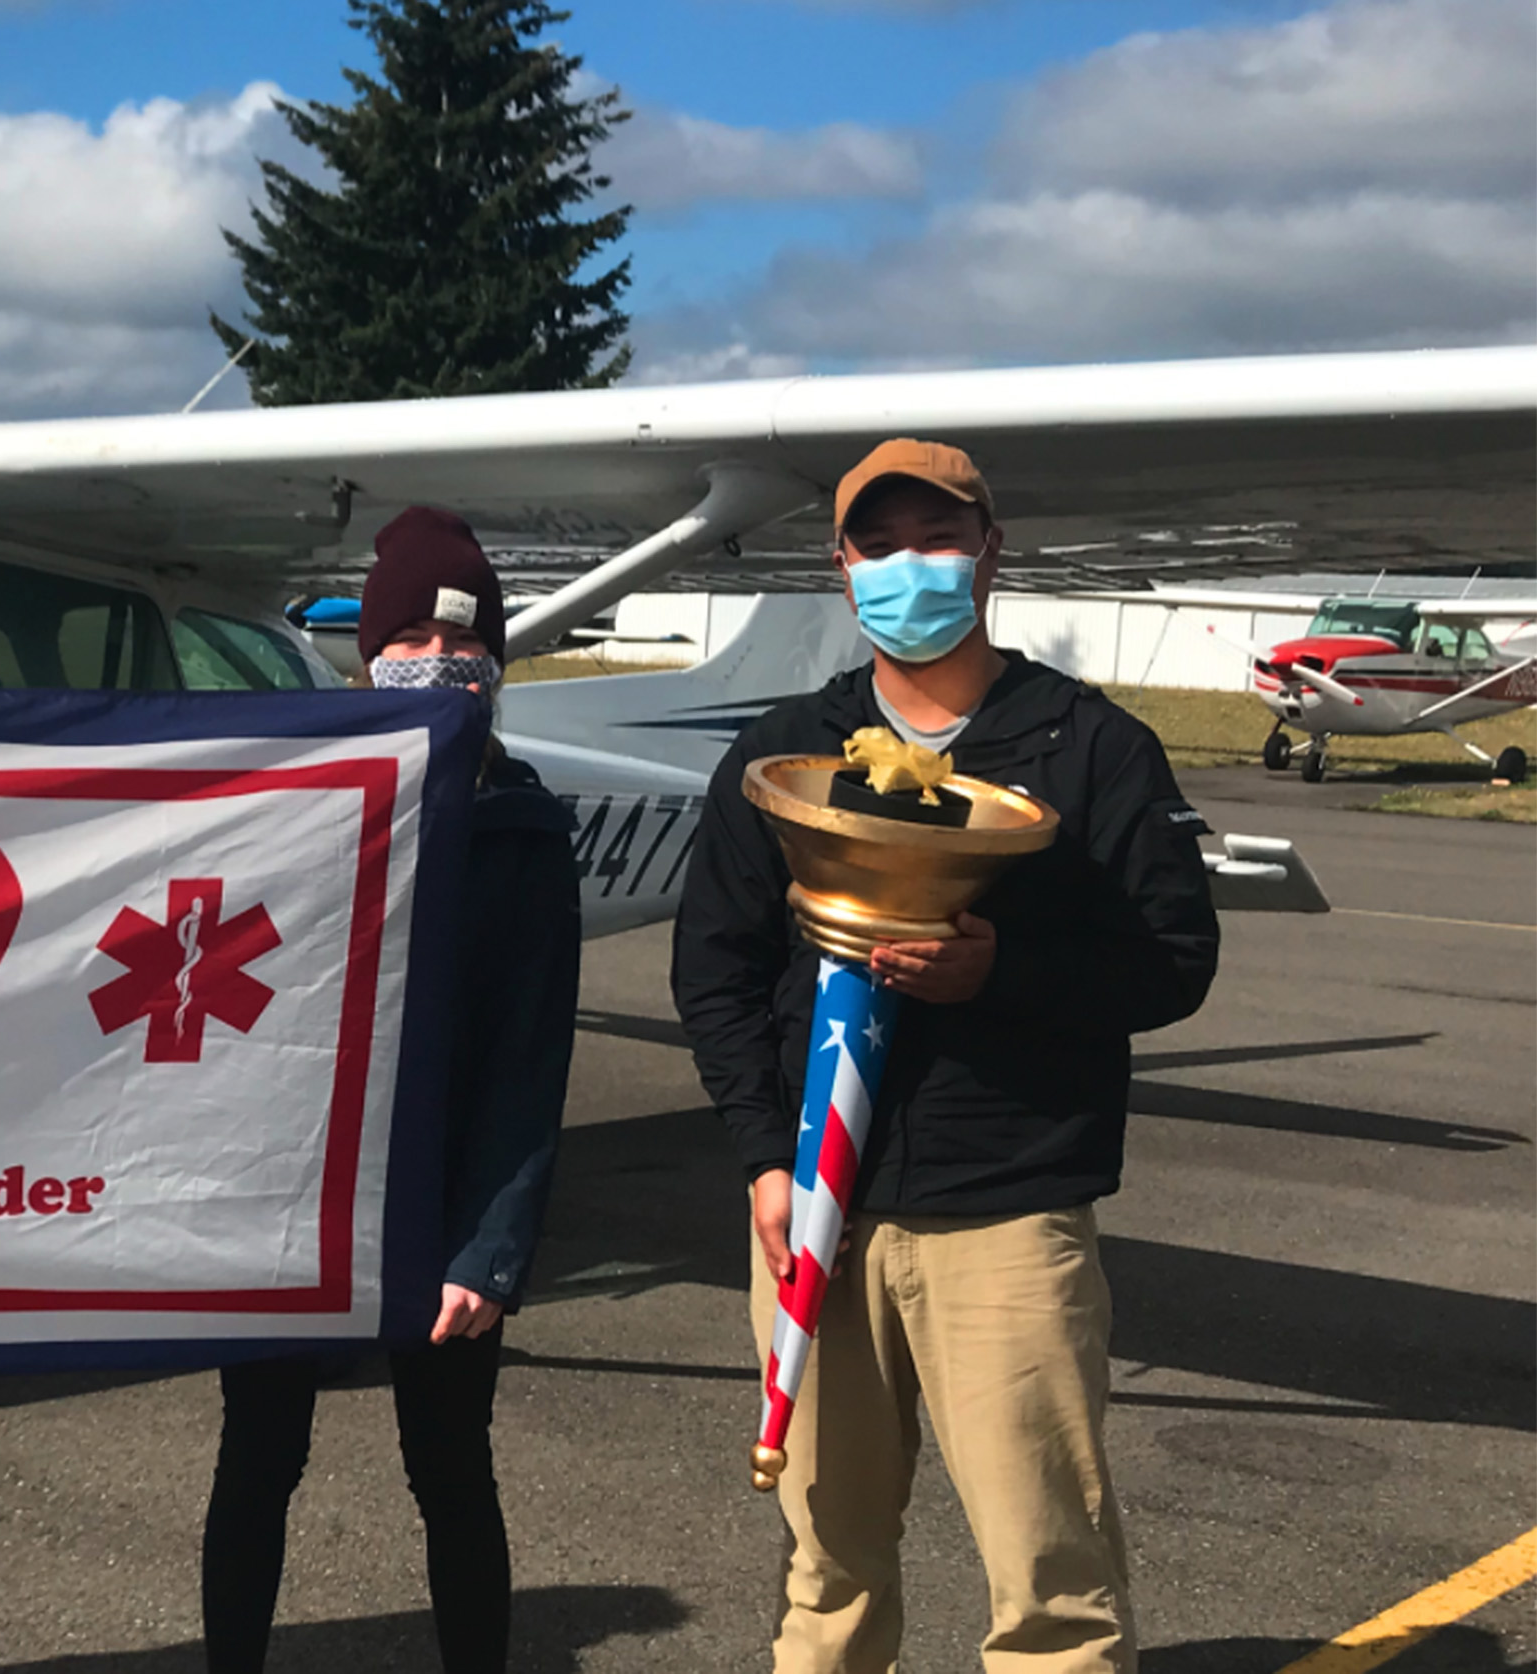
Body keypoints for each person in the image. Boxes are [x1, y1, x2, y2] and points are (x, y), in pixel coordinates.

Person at [671, 440, 1219, 1673]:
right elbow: (714, 972)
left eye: (938, 538)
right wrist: (767, 1160)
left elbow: (1174, 960)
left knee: (1052, 1588)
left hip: (1008, 1218)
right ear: (842, 563)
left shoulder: (1091, 747)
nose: (908, 566)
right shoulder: (786, 754)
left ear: (990, 553)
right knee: (826, 1576)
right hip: (818, 1212)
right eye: (880, 543)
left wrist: (999, 977)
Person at [200, 506, 581, 1674]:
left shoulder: (522, 833)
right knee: (257, 1462)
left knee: (452, 1471)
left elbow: (528, 1065)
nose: (436, 655)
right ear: (367, 657)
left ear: (498, 662)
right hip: (290, 1211)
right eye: (407, 633)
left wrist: (493, 1250)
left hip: (438, 1214)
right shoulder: (294, 811)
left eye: (461, 637)